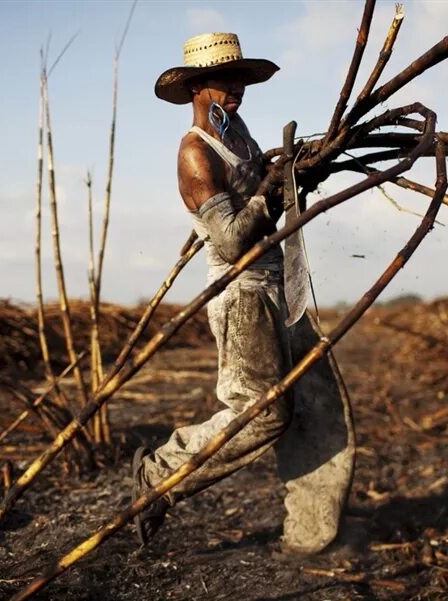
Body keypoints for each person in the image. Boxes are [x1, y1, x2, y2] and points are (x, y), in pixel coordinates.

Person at [132, 32, 355, 555]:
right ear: (196, 87)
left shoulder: (241, 135)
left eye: (240, 79)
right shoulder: (194, 154)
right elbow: (232, 241)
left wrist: (297, 174)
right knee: (264, 413)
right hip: (242, 293)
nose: (235, 89)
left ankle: (312, 534)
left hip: (280, 280)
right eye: (223, 81)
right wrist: (270, 188)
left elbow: (269, 202)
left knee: (316, 399)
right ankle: (159, 475)